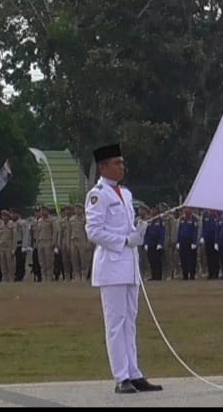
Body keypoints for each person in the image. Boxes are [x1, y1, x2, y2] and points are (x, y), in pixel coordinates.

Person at [83, 143, 162, 394]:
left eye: (122, 162)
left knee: (130, 321)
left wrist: (136, 232)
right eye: (117, 163)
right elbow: (93, 231)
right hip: (111, 264)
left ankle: (134, 372)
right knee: (115, 322)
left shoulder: (126, 194)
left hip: (129, 265)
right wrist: (124, 241)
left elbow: (124, 227)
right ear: (103, 167)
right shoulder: (98, 194)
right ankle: (121, 376)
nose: (121, 167)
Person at [177, 207, 199, 280]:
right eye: (185, 209)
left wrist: (194, 242)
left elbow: (195, 231)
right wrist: (178, 242)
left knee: (192, 259)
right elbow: (179, 231)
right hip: (183, 241)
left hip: (191, 242)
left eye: (187, 209)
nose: (185, 210)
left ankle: (192, 274)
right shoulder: (182, 219)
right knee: (183, 259)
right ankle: (185, 275)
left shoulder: (194, 219)